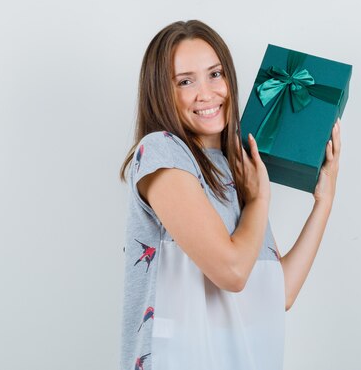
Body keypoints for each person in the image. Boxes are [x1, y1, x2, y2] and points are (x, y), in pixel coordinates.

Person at [119, 20, 341, 370]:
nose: (206, 93)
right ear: (160, 92)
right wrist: (258, 200)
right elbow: (233, 272)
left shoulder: (238, 169)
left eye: (215, 74)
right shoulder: (162, 152)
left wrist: (323, 202)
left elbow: (278, 292)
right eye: (185, 81)